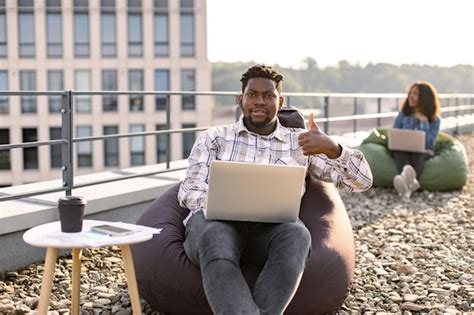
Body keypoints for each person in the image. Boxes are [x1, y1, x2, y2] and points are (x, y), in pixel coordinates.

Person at [178, 64, 373, 315]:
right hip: (216, 226)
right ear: (241, 99)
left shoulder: (301, 142)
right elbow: (189, 190)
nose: (260, 101)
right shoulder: (214, 137)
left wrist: (334, 148)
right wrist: (224, 206)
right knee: (214, 234)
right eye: (252, 95)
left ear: (280, 102)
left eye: (268, 96)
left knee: (298, 235)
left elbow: (362, 182)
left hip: (269, 234)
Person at [391, 81, 441, 199]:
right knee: (400, 152)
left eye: (415, 94)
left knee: (418, 155)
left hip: (422, 152)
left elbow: (429, 143)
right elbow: (395, 134)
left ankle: (404, 185)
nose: (411, 96)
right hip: (402, 149)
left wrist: (424, 122)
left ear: (424, 98)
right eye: (410, 93)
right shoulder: (403, 114)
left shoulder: (435, 120)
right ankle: (410, 184)